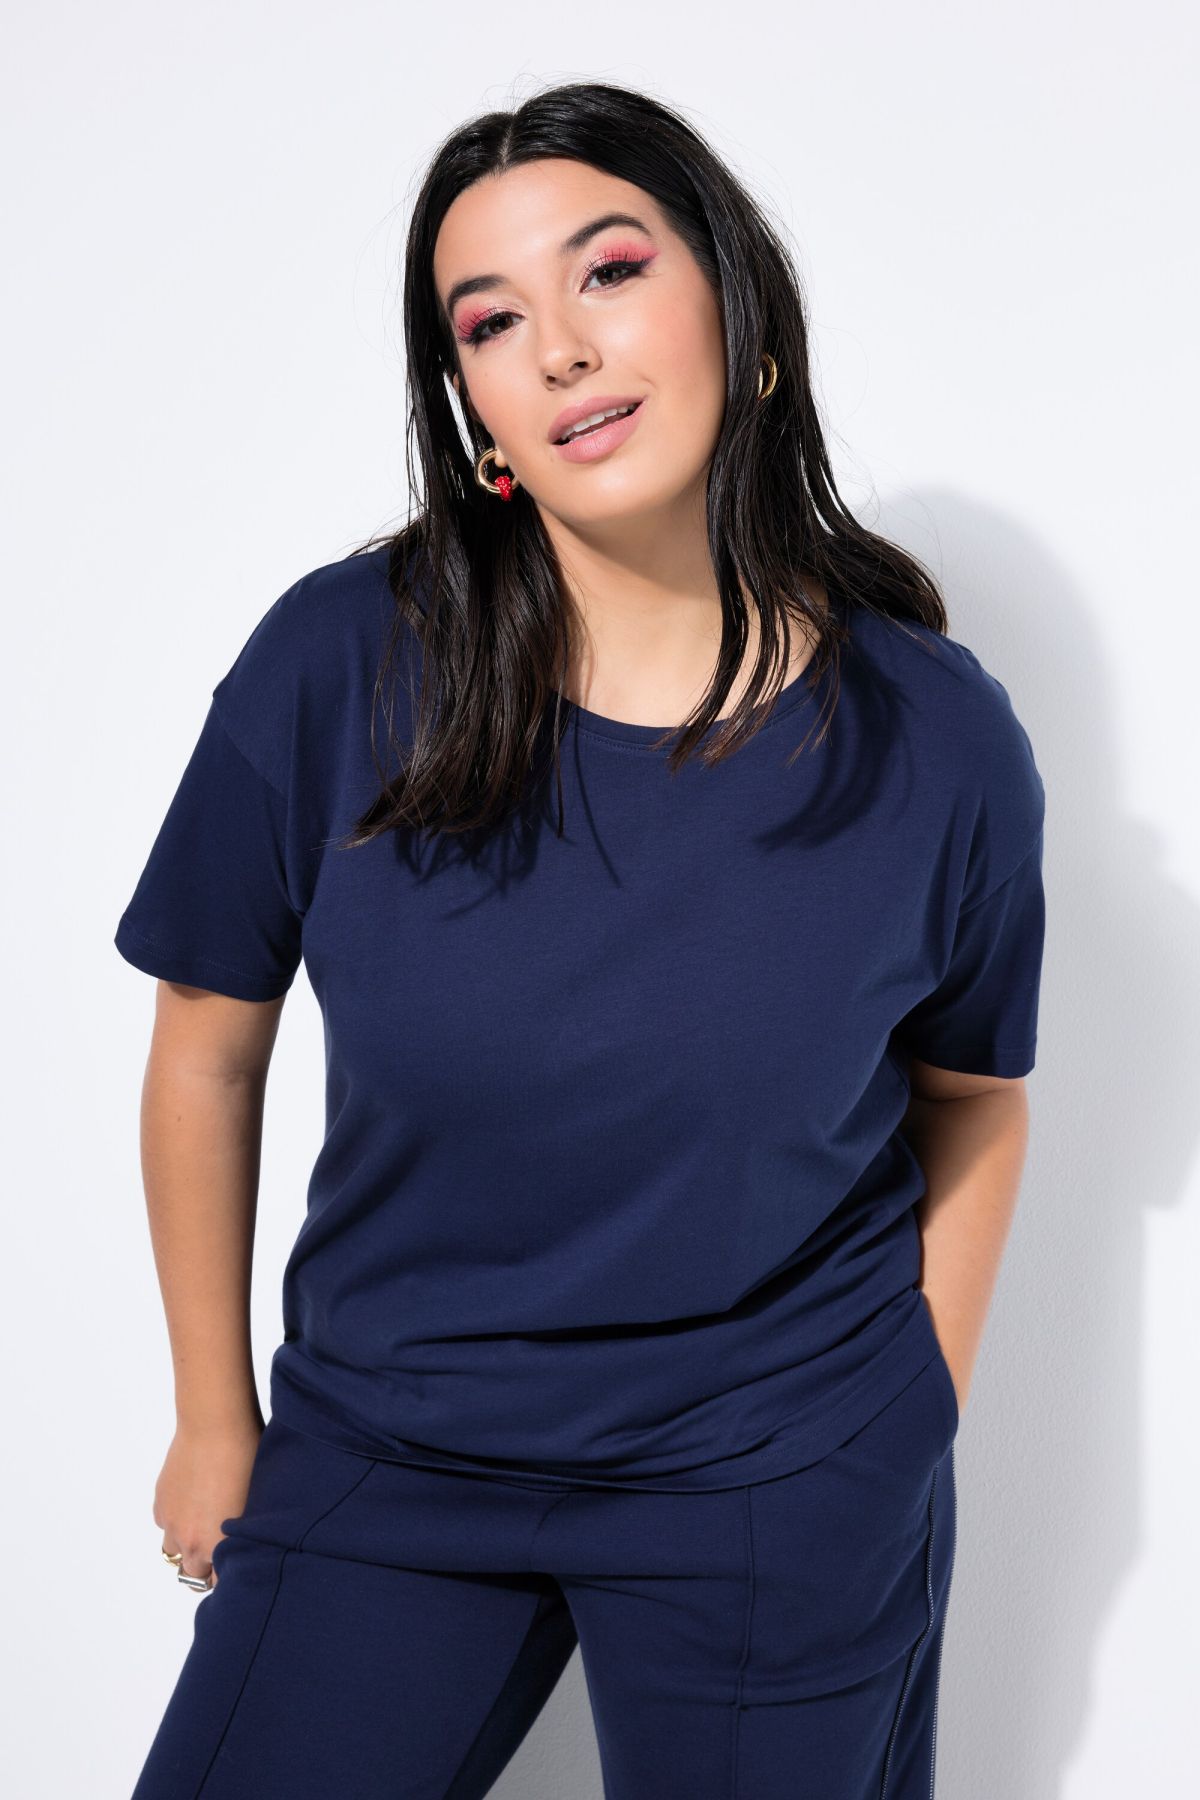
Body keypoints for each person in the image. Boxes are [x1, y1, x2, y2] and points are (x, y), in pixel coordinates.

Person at [114, 81, 1046, 1800]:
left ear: (740, 312)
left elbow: (973, 1095)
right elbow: (208, 1046)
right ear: (474, 411)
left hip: (773, 1471)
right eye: (491, 322)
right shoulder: (340, 662)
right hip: (388, 1452)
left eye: (609, 271)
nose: (558, 347)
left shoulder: (938, 738)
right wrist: (211, 1415)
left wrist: (906, 1416)